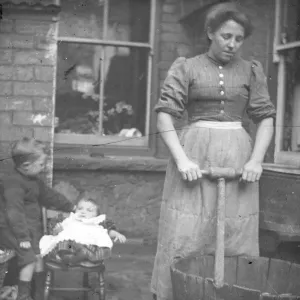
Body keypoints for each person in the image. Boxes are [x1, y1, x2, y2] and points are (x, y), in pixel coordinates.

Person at [150, 3, 276, 300]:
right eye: (225, 36)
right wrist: (182, 159)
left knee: (235, 235)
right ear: (210, 33)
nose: (232, 44)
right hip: (195, 156)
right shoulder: (187, 67)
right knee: (188, 231)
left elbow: (266, 119)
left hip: (238, 159)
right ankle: (181, 292)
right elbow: (165, 115)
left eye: (238, 38)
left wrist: (256, 160)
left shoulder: (251, 70)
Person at [0, 137, 76, 300]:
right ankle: (23, 296)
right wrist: (22, 238)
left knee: (38, 256)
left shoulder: (33, 180)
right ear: (26, 165)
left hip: (29, 228)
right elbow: (14, 212)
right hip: (12, 229)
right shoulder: (13, 183)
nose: (44, 168)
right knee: (28, 259)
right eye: (41, 164)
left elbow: (49, 196)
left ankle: (38, 294)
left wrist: (71, 207)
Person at [40, 195, 126, 266]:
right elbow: (56, 234)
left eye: (89, 210)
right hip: (72, 246)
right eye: (80, 209)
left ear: (96, 215)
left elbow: (108, 232)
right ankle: (70, 257)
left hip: (89, 247)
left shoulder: (97, 222)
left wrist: (117, 234)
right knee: (62, 244)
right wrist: (57, 230)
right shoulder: (70, 219)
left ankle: (82, 256)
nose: (83, 212)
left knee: (103, 250)